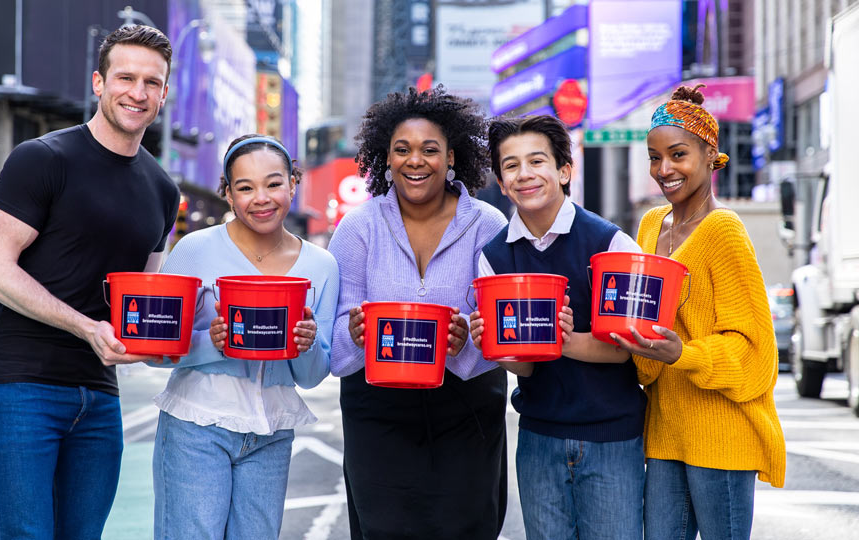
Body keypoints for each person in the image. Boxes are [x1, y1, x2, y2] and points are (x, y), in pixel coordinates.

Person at [0, 25, 179, 540]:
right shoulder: (42, 158)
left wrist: (171, 343)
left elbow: (140, 300)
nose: (138, 92)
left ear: (164, 93)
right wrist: (87, 326)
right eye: (125, 77)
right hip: (22, 384)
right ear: (98, 83)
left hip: (98, 392)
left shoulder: (163, 191)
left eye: (152, 82)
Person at [328, 86, 508, 539]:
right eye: (402, 149)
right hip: (378, 414)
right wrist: (354, 332)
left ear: (452, 157)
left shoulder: (490, 226)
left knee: (469, 527)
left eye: (430, 149)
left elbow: (504, 334)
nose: (415, 160)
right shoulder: (358, 228)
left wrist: (467, 337)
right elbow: (333, 347)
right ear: (384, 159)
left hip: (467, 411)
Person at [611, 84, 785, 540]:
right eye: (654, 157)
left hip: (722, 437)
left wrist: (681, 354)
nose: (663, 169)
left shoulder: (724, 230)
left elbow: (755, 356)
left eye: (678, 154)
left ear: (711, 155)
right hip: (665, 432)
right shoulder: (650, 225)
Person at [148, 134, 340, 539]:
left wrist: (305, 346)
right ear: (228, 194)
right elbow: (156, 349)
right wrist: (210, 343)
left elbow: (312, 374)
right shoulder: (193, 250)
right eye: (245, 187)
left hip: (271, 435)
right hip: (196, 427)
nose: (262, 198)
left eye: (273, 183)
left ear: (293, 183)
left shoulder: (322, 265)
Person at [470, 115, 646, 540]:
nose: (524, 174)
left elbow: (626, 347)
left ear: (565, 170)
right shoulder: (493, 258)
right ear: (501, 179)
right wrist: (494, 346)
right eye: (511, 166)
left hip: (612, 439)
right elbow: (526, 367)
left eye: (536, 161)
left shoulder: (611, 243)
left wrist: (560, 340)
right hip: (539, 438)